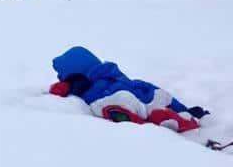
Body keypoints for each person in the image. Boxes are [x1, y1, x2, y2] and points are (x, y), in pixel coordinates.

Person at [49, 46, 208, 133]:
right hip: (137, 92)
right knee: (156, 96)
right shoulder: (113, 72)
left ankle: (136, 120)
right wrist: (185, 108)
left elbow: (59, 91)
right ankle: (182, 117)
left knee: (111, 105)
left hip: (115, 98)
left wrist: (61, 87)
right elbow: (146, 87)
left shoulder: (77, 80)